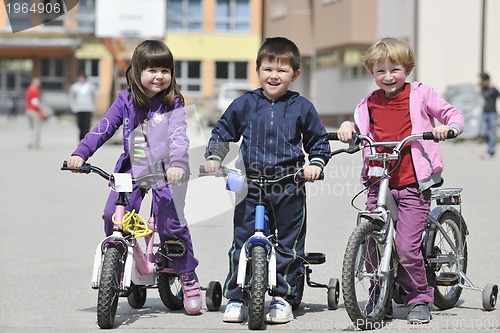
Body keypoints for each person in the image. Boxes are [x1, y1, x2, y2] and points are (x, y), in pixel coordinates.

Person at [65, 40, 202, 315]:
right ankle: (119, 262)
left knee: (170, 225)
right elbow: (103, 128)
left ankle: (187, 275)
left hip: (167, 171)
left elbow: (178, 136)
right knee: (111, 215)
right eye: (152, 69)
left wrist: (178, 163)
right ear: (136, 71)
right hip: (131, 168)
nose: (160, 76)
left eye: (165, 70)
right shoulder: (125, 100)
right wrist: (81, 153)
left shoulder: (172, 101)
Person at [336, 37, 464, 324]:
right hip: (377, 180)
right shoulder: (368, 102)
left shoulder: (420, 94)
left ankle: (419, 296)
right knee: (371, 240)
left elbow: (451, 113)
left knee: (406, 246)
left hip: (412, 182)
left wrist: (449, 127)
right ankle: (378, 292)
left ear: (407, 68)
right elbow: (357, 125)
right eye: (380, 71)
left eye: (395, 69)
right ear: (372, 73)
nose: (388, 76)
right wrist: (347, 127)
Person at [203, 37, 331, 325]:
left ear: (295, 74)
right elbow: (223, 133)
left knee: (289, 244)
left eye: (282, 70)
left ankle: (283, 296)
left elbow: (318, 141)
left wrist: (316, 164)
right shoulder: (244, 104)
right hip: (250, 183)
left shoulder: (302, 107)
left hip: (289, 184)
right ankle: (236, 296)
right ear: (257, 69)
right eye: (268, 68)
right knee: (241, 241)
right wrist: (214, 157)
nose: (274, 75)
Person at [479, 72, 500, 160]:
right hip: (485, 113)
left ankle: (490, 151)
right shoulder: (484, 89)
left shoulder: (493, 90)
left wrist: (492, 86)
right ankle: (490, 148)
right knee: (483, 133)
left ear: (487, 80)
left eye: (484, 80)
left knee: (492, 133)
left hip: (492, 114)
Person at [69, 72, 96, 140]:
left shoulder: (90, 86)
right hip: (79, 108)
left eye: (83, 78)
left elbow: (93, 96)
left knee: (87, 124)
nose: (81, 79)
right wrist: (73, 106)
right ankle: (81, 137)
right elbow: (72, 97)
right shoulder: (75, 87)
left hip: (88, 108)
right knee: (80, 124)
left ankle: (86, 138)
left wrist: (93, 106)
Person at [25, 77, 44, 149]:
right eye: (38, 82)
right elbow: (35, 102)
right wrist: (42, 108)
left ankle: (30, 141)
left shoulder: (29, 89)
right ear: (34, 82)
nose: (39, 83)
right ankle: (35, 143)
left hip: (28, 110)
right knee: (37, 127)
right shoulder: (35, 90)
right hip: (34, 111)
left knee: (31, 127)